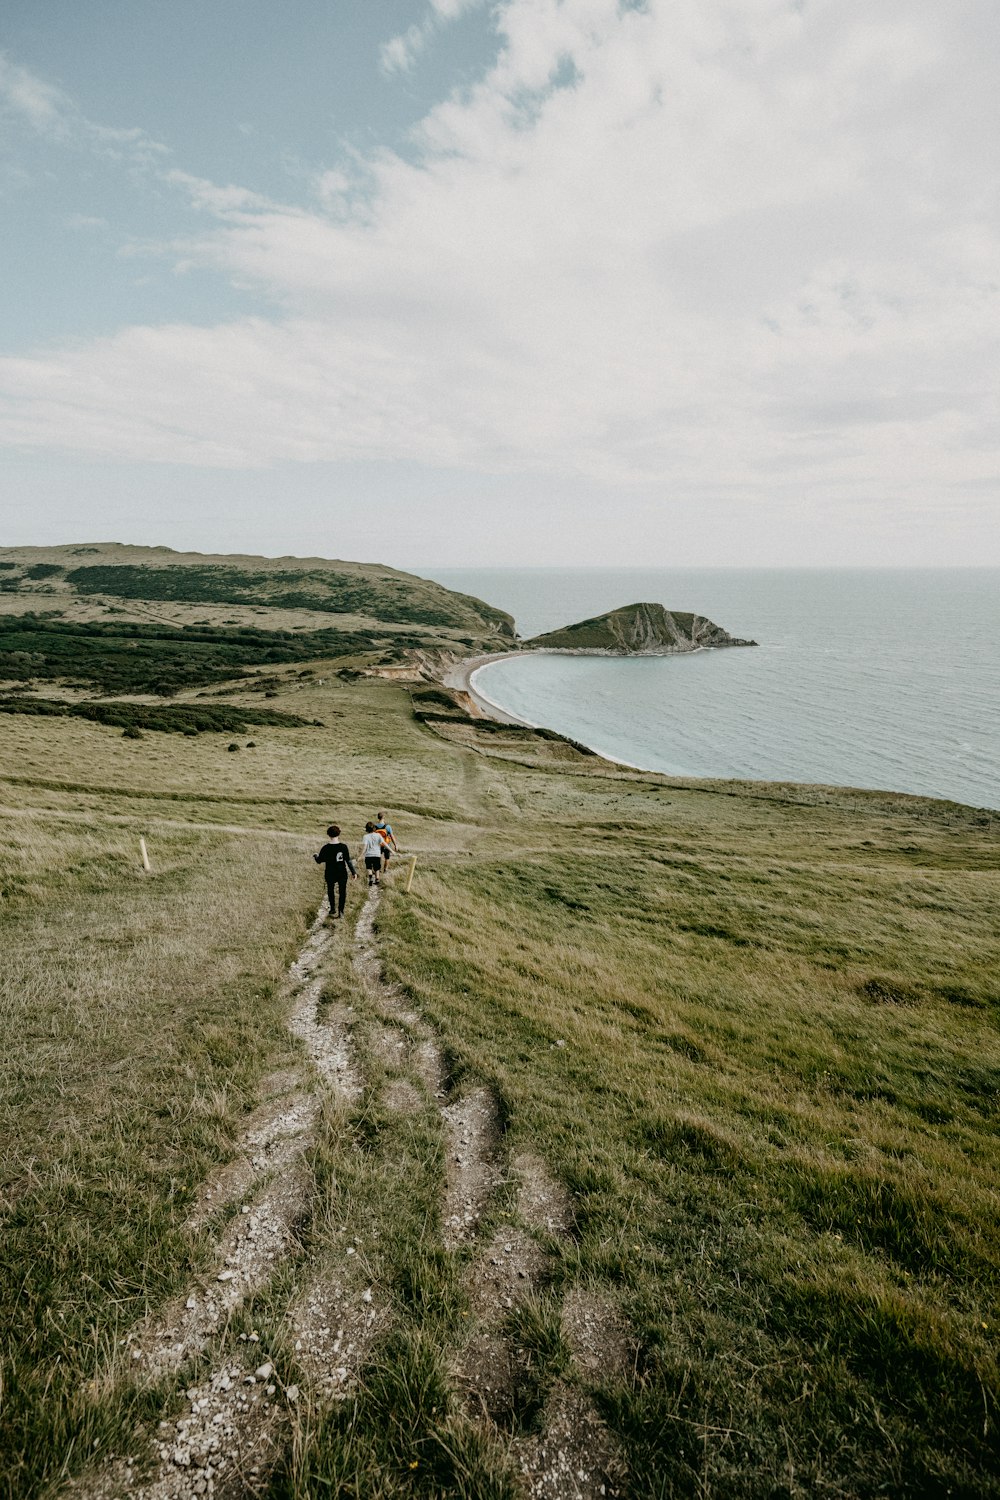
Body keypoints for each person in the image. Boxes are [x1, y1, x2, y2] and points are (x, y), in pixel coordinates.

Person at [313, 825, 357, 919]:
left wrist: (316, 855)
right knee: (342, 891)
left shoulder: (325, 848)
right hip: (342, 872)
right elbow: (348, 861)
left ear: (328, 834)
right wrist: (354, 872)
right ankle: (341, 911)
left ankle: (332, 908)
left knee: (330, 890)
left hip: (330, 872)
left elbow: (319, 861)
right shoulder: (343, 847)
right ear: (339, 834)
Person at [361, 821, 388, 887]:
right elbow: (384, 844)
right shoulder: (378, 835)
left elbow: (364, 848)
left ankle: (370, 877)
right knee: (377, 868)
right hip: (377, 854)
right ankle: (377, 879)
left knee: (369, 867)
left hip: (368, 855)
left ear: (367, 829)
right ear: (374, 828)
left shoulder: (365, 836)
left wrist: (360, 855)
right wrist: (392, 851)